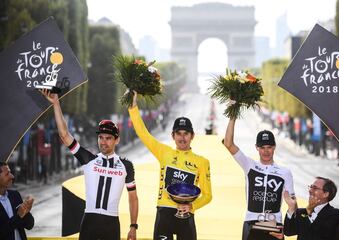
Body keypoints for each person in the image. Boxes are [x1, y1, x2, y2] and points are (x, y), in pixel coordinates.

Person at [40, 89, 138, 240]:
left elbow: (133, 197)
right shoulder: (89, 159)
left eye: (108, 138)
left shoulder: (126, 166)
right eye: (101, 137)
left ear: (117, 140)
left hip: (111, 222)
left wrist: (133, 226)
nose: (103, 141)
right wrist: (56, 104)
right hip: (89, 221)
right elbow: (65, 135)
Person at [128, 91, 212, 240]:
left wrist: (192, 206)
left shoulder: (202, 162)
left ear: (192, 136)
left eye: (186, 133)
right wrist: (133, 107)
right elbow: (143, 134)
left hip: (186, 215)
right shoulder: (164, 152)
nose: (182, 137)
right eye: (178, 133)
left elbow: (207, 195)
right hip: (164, 213)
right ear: (172, 136)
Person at [223, 117, 295, 240]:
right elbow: (228, 144)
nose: (266, 151)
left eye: (269, 147)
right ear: (256, 147)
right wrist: (232, 116)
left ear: (274, 147)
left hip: (274, 224)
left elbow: (293, 204)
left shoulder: (285, 172)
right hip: (251, 221)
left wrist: (286, 229)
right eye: (262, 147)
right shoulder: (249, 165)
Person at [0, 161, 34, 240]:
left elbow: (30, 225)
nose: (12, 176)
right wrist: (19, 216)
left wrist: (27, 211)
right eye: (7, 174)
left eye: (10, 173)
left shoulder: (15, 195)